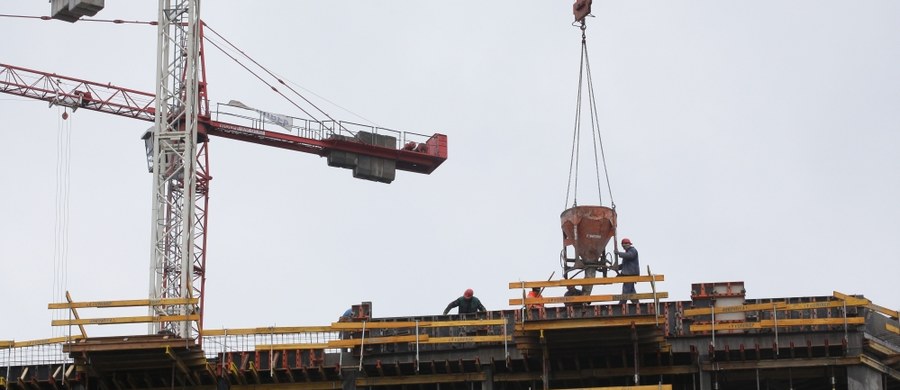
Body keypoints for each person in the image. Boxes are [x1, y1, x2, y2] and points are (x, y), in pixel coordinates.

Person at [615, 237, 640, 304]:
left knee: (626, 289)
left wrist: (619, 253)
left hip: (631, 274)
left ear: (628, 244)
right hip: (629, 273)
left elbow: (630, 256)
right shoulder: (627, 253)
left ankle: (621, 304)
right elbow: (624, 265)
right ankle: (636, 303)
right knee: (631, 290)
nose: (623, 247)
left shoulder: (633, 250)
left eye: (624, 245)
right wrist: (616, 267)